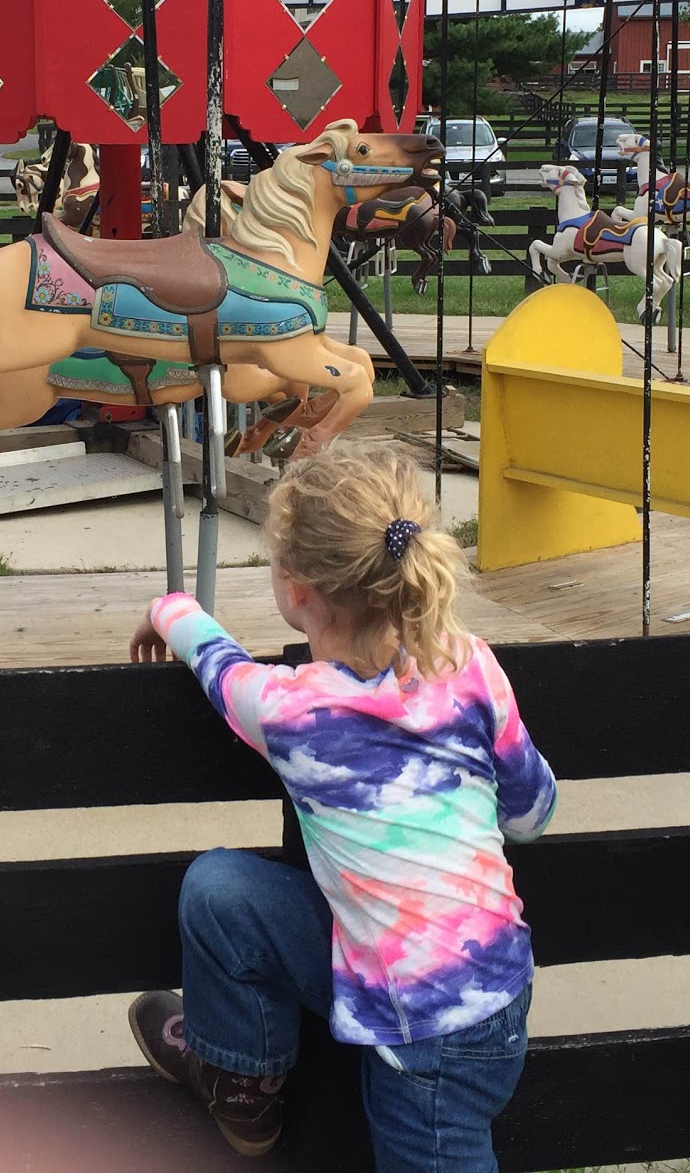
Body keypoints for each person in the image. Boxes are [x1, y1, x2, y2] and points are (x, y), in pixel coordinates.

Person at [124, 444, 556, 1171]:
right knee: (222, 890)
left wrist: (171, 609)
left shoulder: (292, 710)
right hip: (496, 990)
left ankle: (241, 1079)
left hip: (423, 1035)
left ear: (296, 591)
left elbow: (220, 666)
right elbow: (531, 815)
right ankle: (242, 1082)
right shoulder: (469, 662)